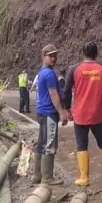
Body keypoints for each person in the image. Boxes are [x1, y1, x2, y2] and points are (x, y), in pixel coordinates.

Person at [63, 42, 102, 186]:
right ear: (96, 53)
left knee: (82, 144)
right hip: (98, 113)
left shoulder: (74, 69)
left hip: (80, 114)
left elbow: (66, 90)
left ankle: (84, 177)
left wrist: (68, 108)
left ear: (83, 53)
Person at [32, 44, 69, 185]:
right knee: (50, 143)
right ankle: (47, 177)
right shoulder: (48, 74)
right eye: (50, 55)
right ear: (44, 56)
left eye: (55, 55)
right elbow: (53, 94)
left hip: (42, 112)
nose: (54, 58)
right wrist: (62, 113)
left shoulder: (42, 72)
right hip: (49, 113)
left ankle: (37, 176)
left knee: (41, 143)